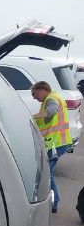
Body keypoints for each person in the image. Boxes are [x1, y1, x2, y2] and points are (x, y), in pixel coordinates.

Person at [31, 81, 72, 213]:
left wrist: (31, 117)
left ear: (42, 89)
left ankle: (54, 203)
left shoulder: (52, 99)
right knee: (47, 172)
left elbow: (51, 111)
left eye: (34, 93)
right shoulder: (48, 100)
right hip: (55, 143)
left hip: (57, 143)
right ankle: (54, 202)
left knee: (46, 173)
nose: (33, 97)